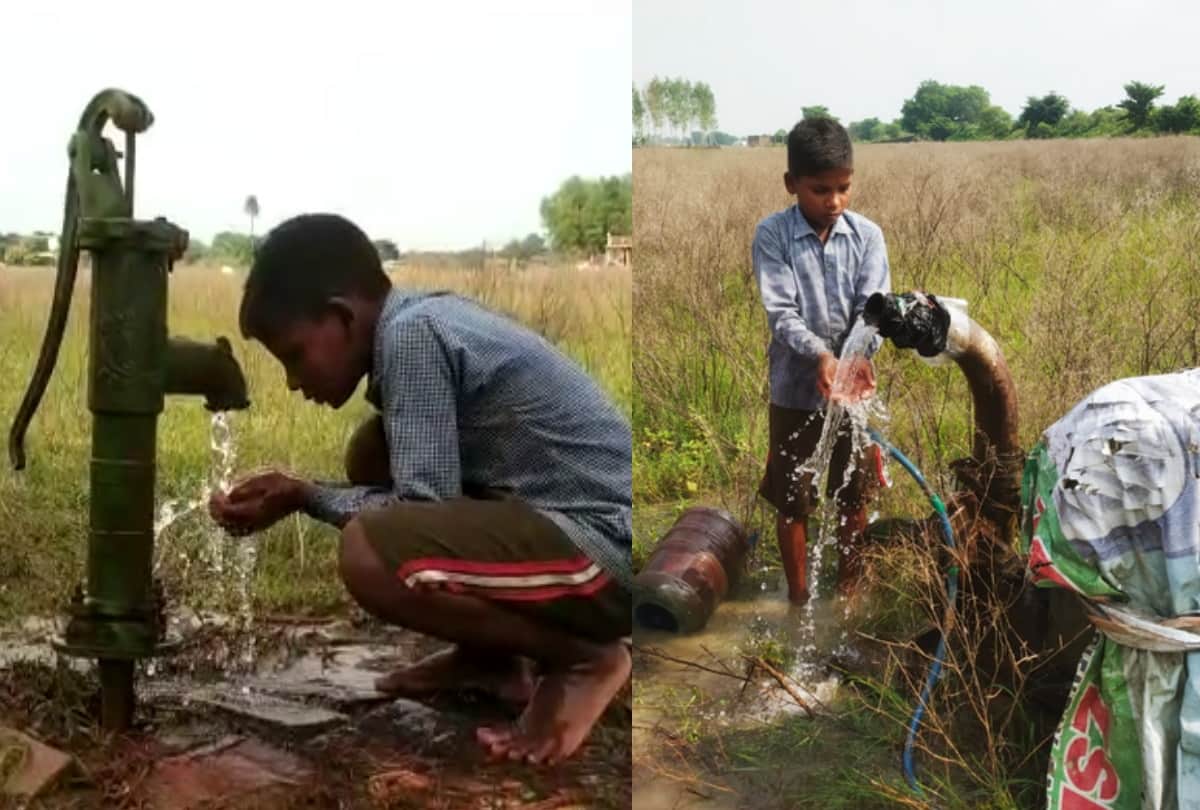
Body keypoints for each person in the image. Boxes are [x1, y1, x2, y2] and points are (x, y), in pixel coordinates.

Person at [208, 213, 632, 765]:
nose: (293, 381)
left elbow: (419, 510)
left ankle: (584, 659)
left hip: (610, 552)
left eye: (294, 355)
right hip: (584, 531)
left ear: (341, 317)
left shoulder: (411, 337)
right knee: (373, 450)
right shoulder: (423, 317)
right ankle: (494, 660)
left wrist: (304, 496)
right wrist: (303, 492)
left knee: (368, 552)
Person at [752, 118, 891, 604]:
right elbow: (781, 313)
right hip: (794, 390)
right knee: (793, 501)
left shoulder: (868, 236)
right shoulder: (773, 236)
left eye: (843, 189)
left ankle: (848, 595)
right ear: (792, 184)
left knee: (854, 496)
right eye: (819, 190)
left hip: (852, 389)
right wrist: (821, 355)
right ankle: (798, 599)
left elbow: (871, 311)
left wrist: (855, 357)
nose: (833, 201)